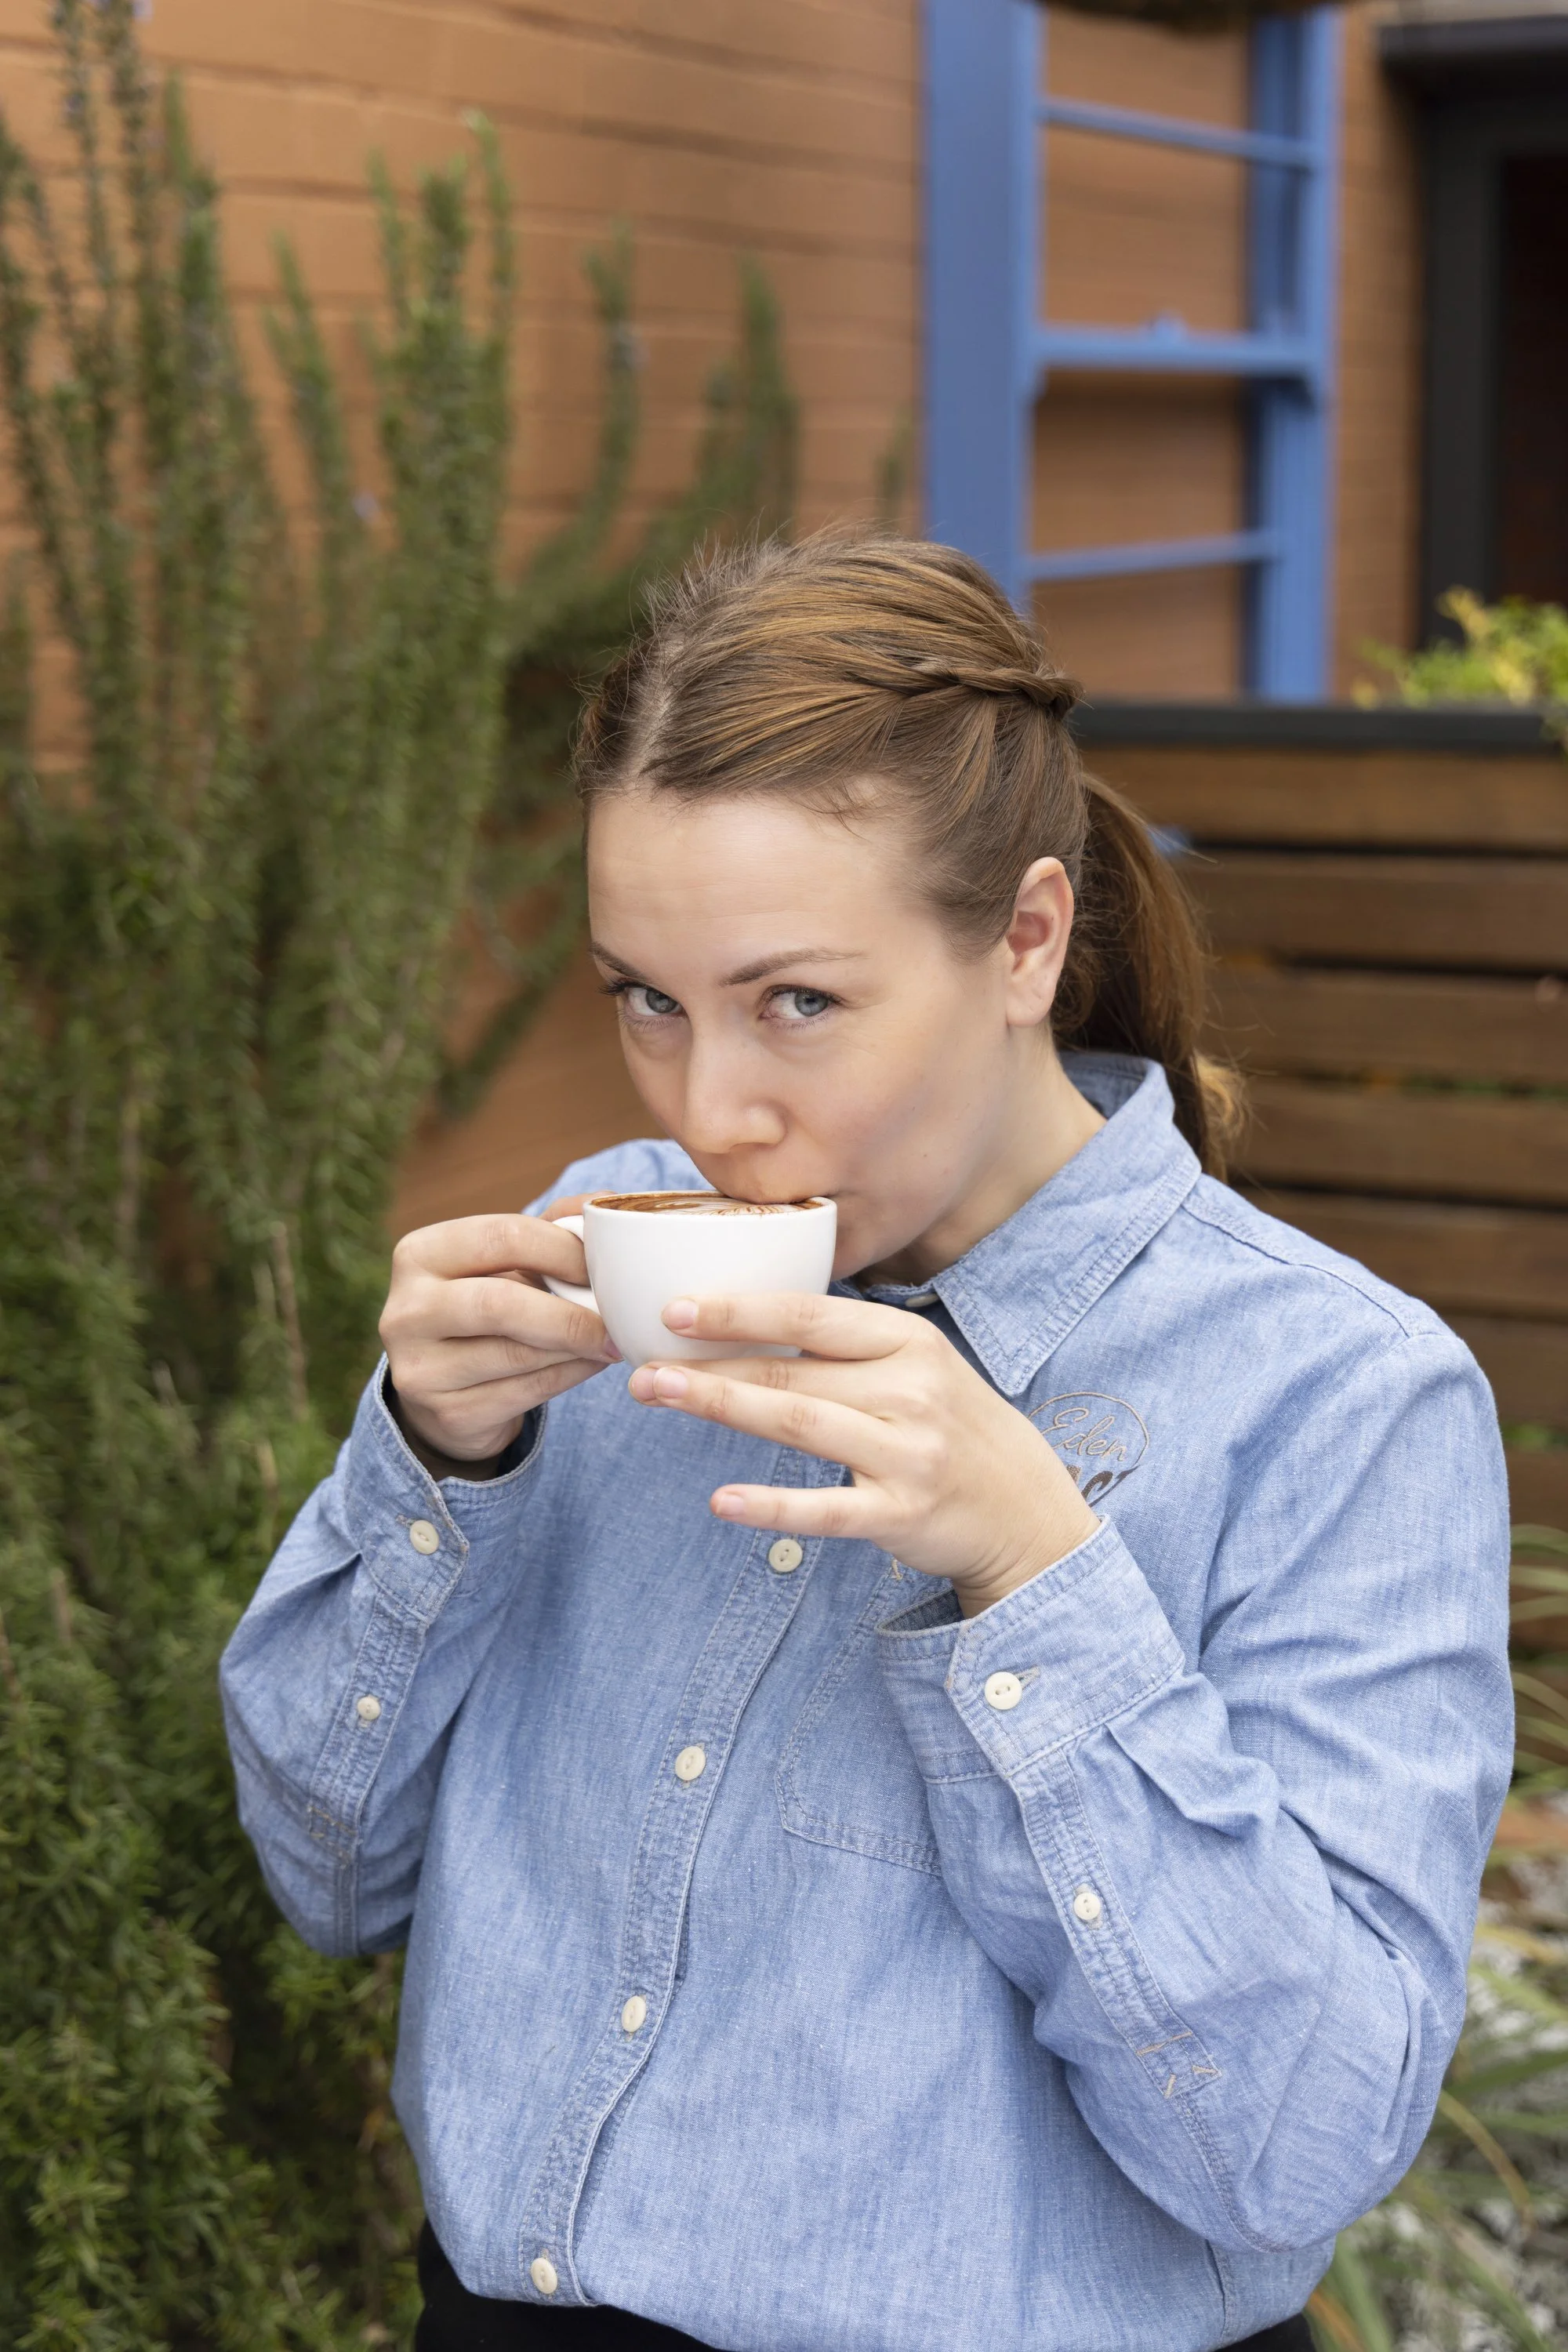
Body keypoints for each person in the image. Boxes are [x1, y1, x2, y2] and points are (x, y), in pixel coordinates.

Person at [221, 535, 1512, 2352]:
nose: (705, 1109)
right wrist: (438, 1463)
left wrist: (1032, 1580)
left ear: (1027, 942)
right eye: (645, 998)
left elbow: (1291, 2151)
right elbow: (329, 1879)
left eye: (796, 1003)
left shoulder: (1337, 1401)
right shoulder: (595, 1247)